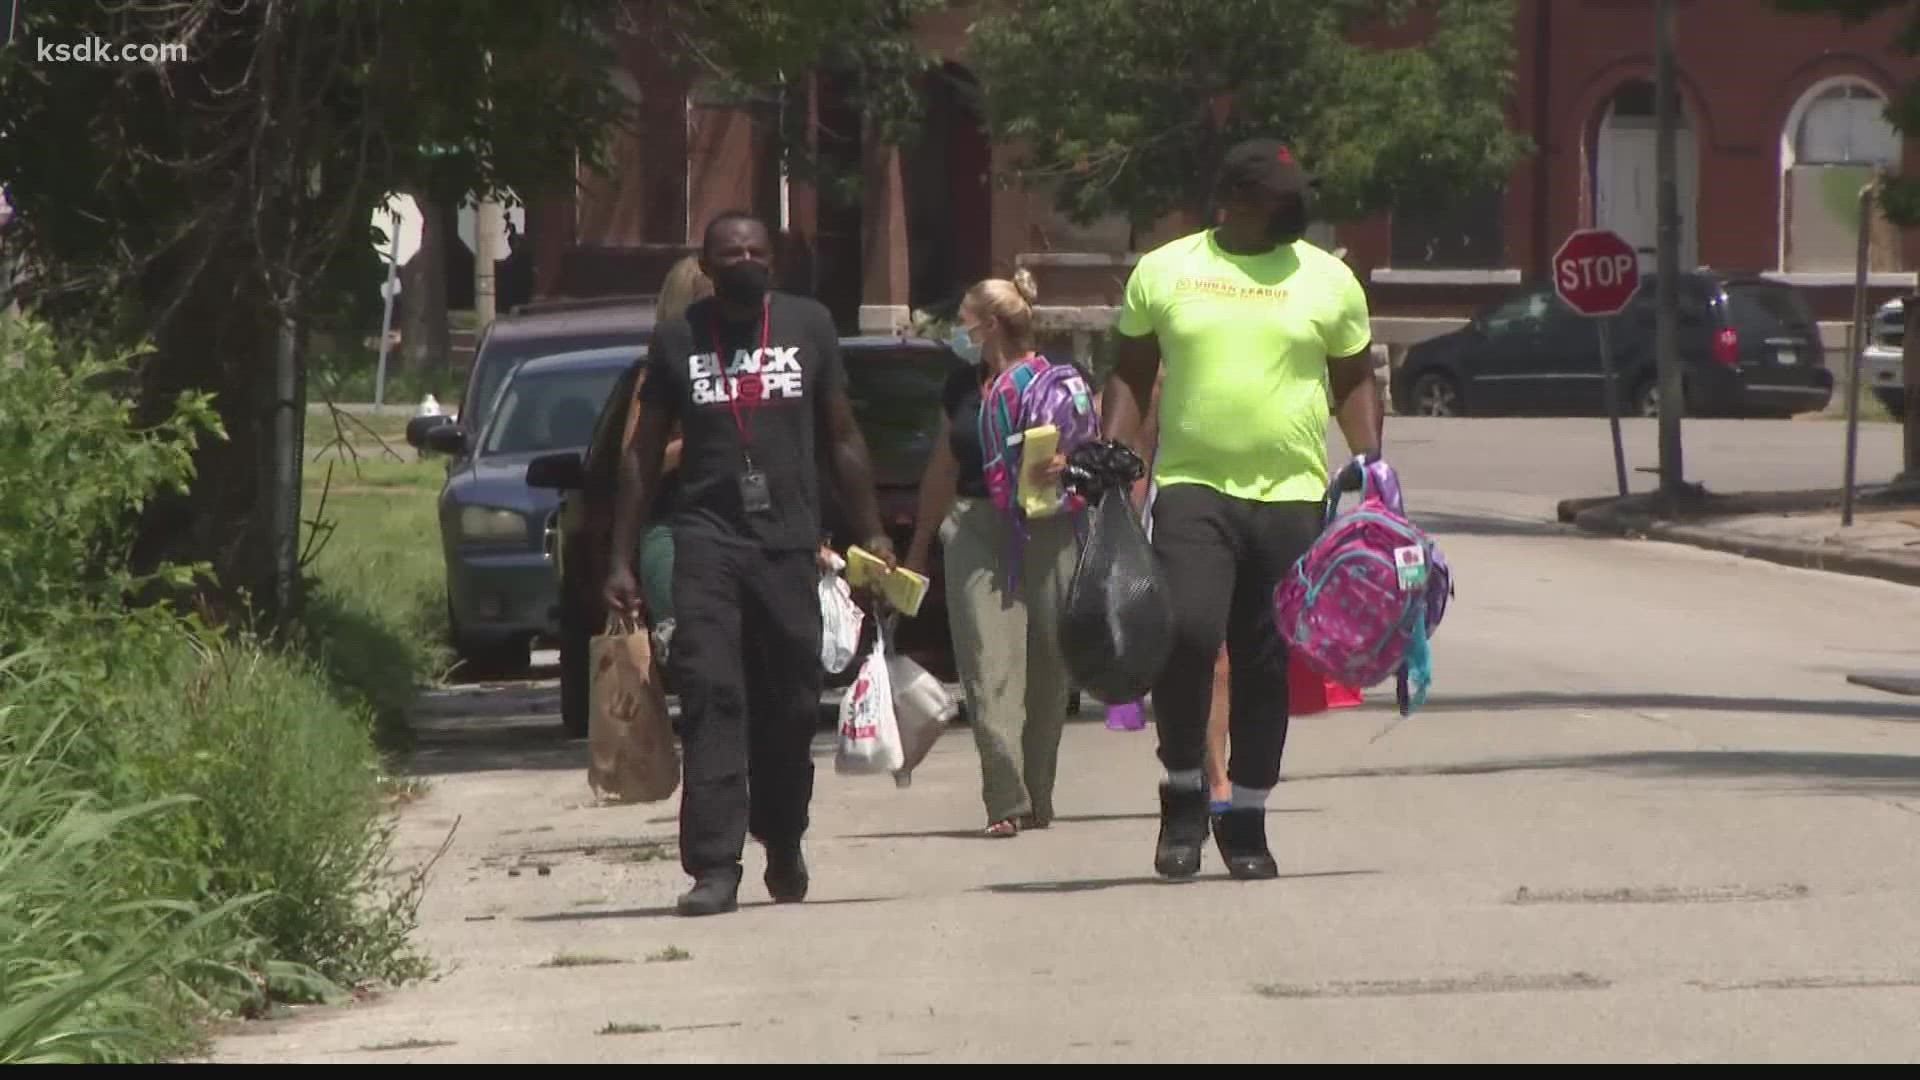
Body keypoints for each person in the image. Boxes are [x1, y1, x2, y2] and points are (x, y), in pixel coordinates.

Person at [1098, 138, 1383, 881]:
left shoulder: (1330, 280)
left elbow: (1353, 377)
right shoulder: (1167, 271)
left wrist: (1372, 459)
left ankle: (1249, 814)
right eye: (1279, 198)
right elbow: (1130, 371)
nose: (1296, 209)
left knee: (1265, 658)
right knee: (1188, 633)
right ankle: (1185, 791)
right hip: (1194, 486)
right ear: (1233, 200)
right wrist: (1110, 452)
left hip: (1292, 493)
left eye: (1298, 196)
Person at [605, 211, 894, 917]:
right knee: (712, 696)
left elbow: (843, 435)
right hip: (706, 540)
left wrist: (874, 532)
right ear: (706, 262)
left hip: (789, 543)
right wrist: (621, 557)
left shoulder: (809, 325)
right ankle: (714, 864)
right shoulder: (678, 339)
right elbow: (642, 454)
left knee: (791, 705)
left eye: (755, 250)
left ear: (775, 260)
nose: (743, 259)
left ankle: (784, 835)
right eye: (729, 251)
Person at [903, 270, 1078, 838]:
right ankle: (1005, 797)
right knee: (985, 665)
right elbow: (942, 464)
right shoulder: (959, 388)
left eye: (965, 321)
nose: (959, 330)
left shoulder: (1060, 381)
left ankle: (1039, 793)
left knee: (1050, 670)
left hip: (1050, 527)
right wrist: (918, 545)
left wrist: (1067, 465)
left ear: (992, 325)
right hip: (977, 528)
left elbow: (1097, 454)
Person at [618, 255, 714, 654]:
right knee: (694, 645)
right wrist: (699, 440)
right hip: (671, 525)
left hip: (736, 527)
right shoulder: (657, 373)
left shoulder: (742, 367)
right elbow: (636, 461)